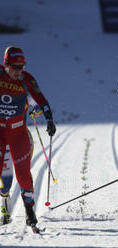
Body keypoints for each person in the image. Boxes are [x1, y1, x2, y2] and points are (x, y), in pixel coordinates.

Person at [0, 46, 56, 227]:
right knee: (4, 179)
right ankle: (4, 201)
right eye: (15, 67)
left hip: (18, 134)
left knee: (23, 174)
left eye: (22, 66)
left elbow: (42, 101)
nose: (19, 71)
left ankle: (29, 211)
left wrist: (49, 120)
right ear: (6, 64)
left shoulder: (27, 80)